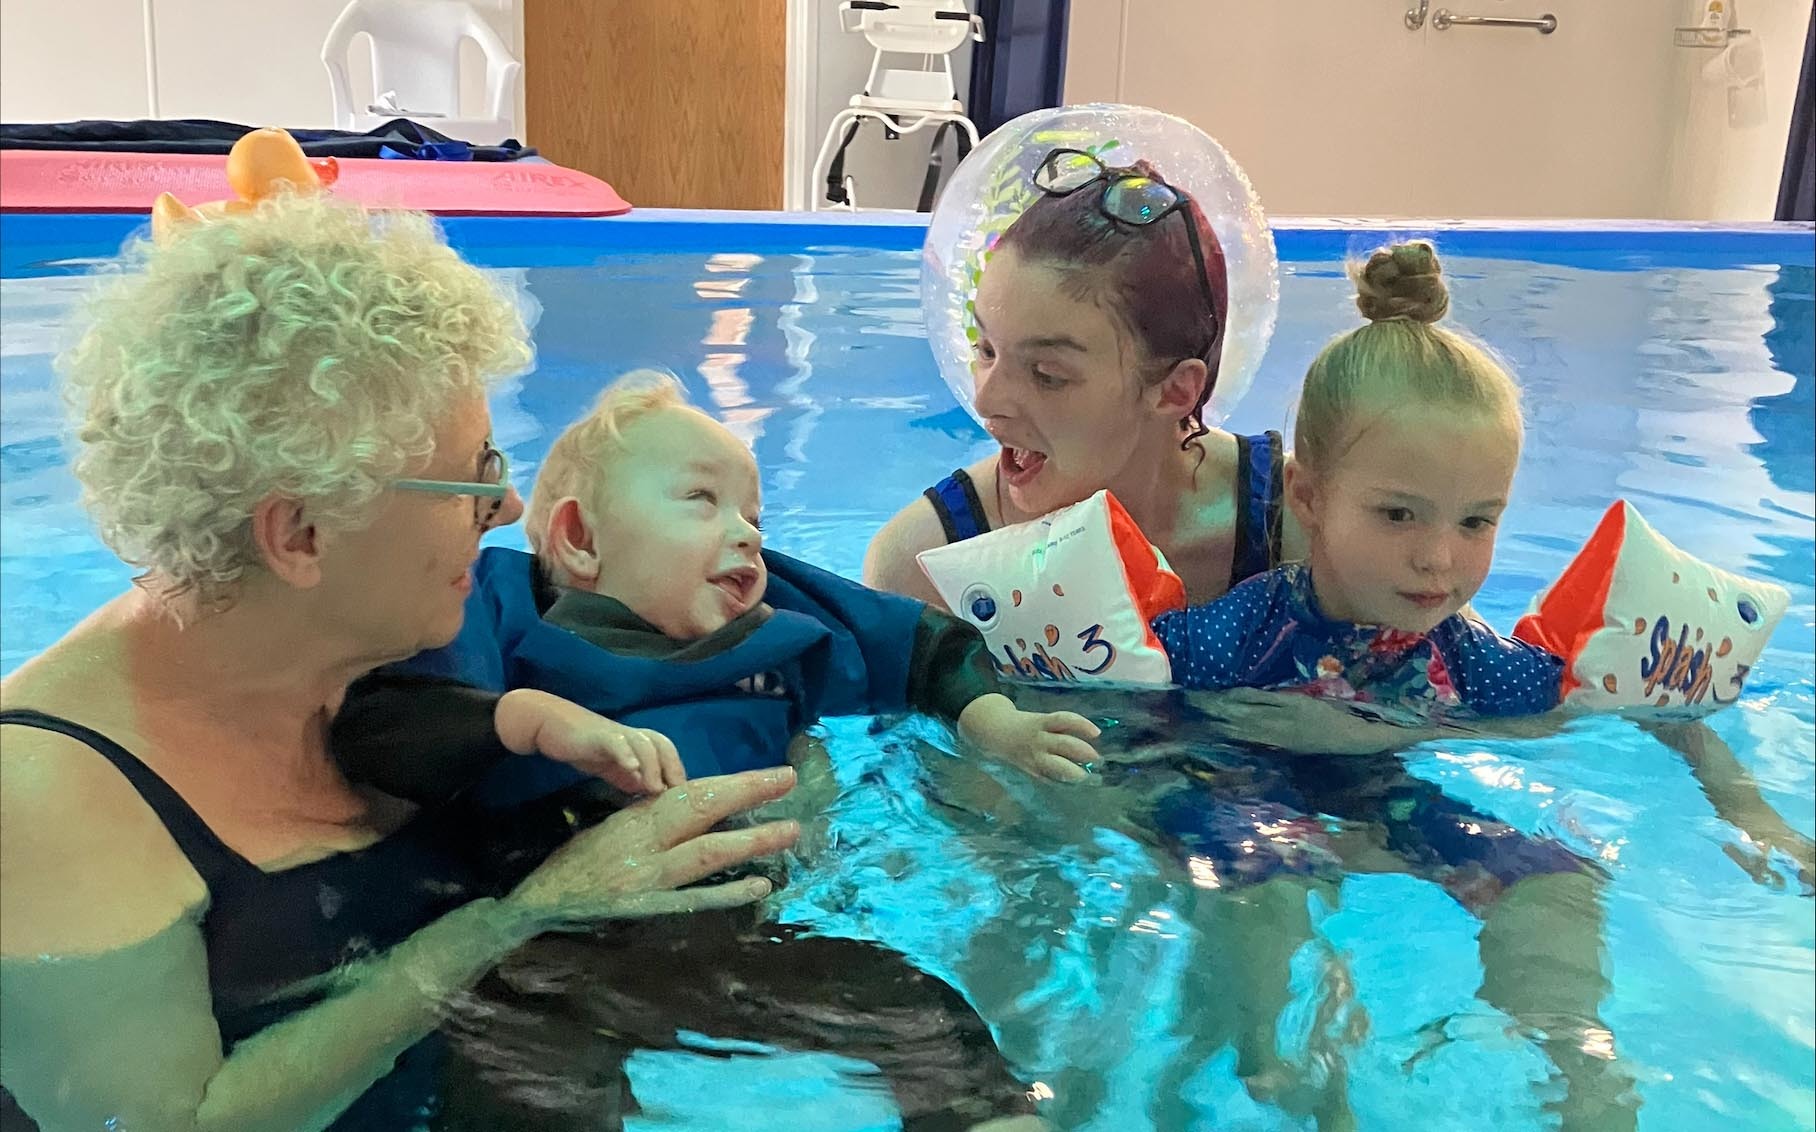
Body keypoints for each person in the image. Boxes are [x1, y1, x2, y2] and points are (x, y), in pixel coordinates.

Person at [0, 192, 800, 1132]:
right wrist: (513, 920)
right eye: (471, 478)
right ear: (301, 532)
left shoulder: (379, 657)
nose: (504, 511)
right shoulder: (49, 801)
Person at [865, 149, 1306, 608]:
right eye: (987, 350)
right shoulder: (919, 566)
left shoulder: (1295, 527)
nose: (987, 402)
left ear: (1176, 390)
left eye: (1046, 375)